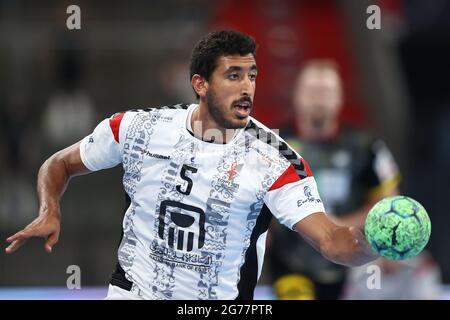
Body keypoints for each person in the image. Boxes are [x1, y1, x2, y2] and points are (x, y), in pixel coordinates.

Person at [5, 31, 378, 300]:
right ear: (200, 84)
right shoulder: (139, 128)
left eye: (252, 75)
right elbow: (59, 163)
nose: (247, 87)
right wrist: (49, 209)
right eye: (233, 76)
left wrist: (376, 241)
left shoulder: (275, 161)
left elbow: (333, 240)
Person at [266, 60, 401, 300]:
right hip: (291, 262)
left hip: (352, 263)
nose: (319, 99)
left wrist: (338, 226)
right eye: (312, 91)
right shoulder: (273, 145)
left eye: (326, 91)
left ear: (340, 98)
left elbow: (389, 205)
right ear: (296, 95)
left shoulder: (367, 147)